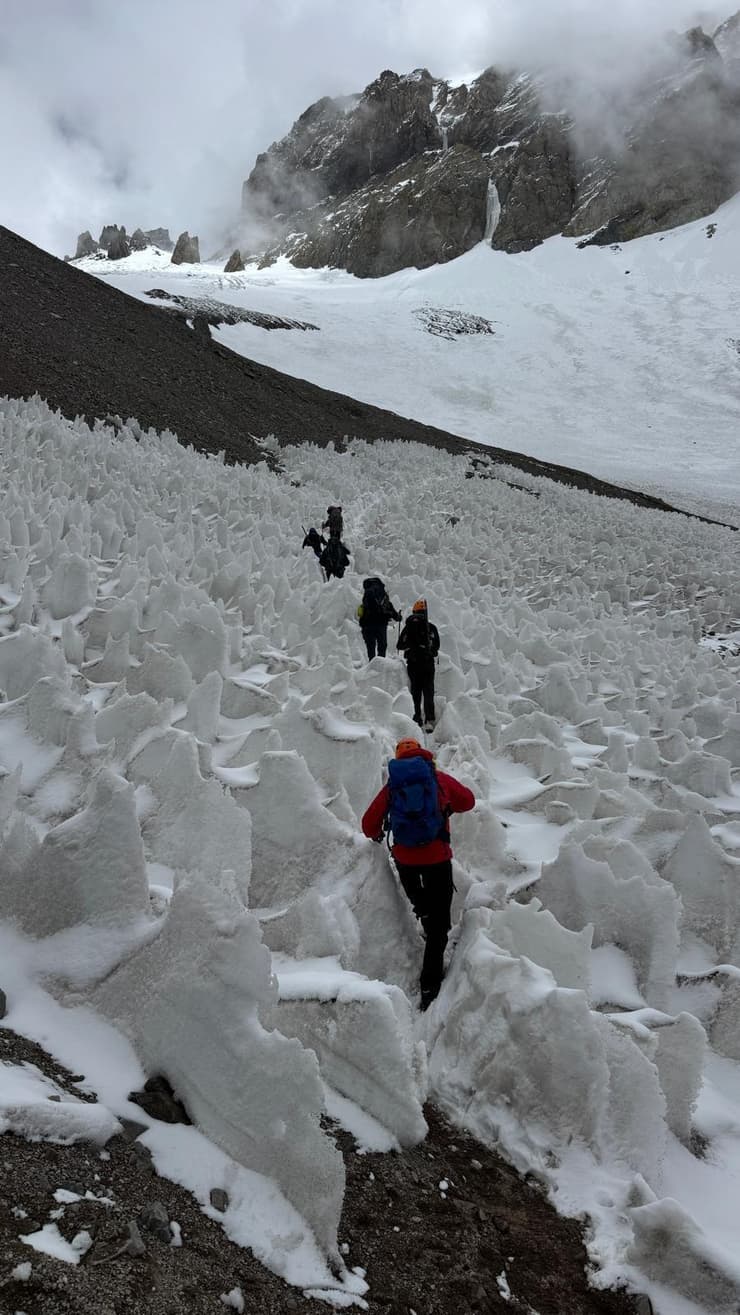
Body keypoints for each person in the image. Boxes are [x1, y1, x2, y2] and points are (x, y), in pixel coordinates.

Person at [362, 738, 474, 1009]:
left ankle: (424, 918)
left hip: (405, 860)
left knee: (422, 905)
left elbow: (368, 825)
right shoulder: (437, 779)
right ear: (426, 758)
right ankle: (430, 985)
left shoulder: (393, 787)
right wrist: (445, 806)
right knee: (439, 926)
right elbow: (468, 801)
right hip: (437, 858)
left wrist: (379, 833)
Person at [398, 599, 440, 731]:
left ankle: (416, 718)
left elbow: (400, 645)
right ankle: (429, 720)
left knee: (415, 691)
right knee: (428, 691)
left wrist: (411, 647)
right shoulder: (431, 628)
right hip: (427, 664)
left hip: (413, 664)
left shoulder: (408, 627)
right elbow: (436, 647)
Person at [357, 577, 401, 660]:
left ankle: (372, 663)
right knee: (382, 645)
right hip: (381, 624)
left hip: (367, 624)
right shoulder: (382, 594)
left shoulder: (367, 594)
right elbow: (389, 606)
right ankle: (381, 665)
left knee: (371, 645)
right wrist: (397, 617)